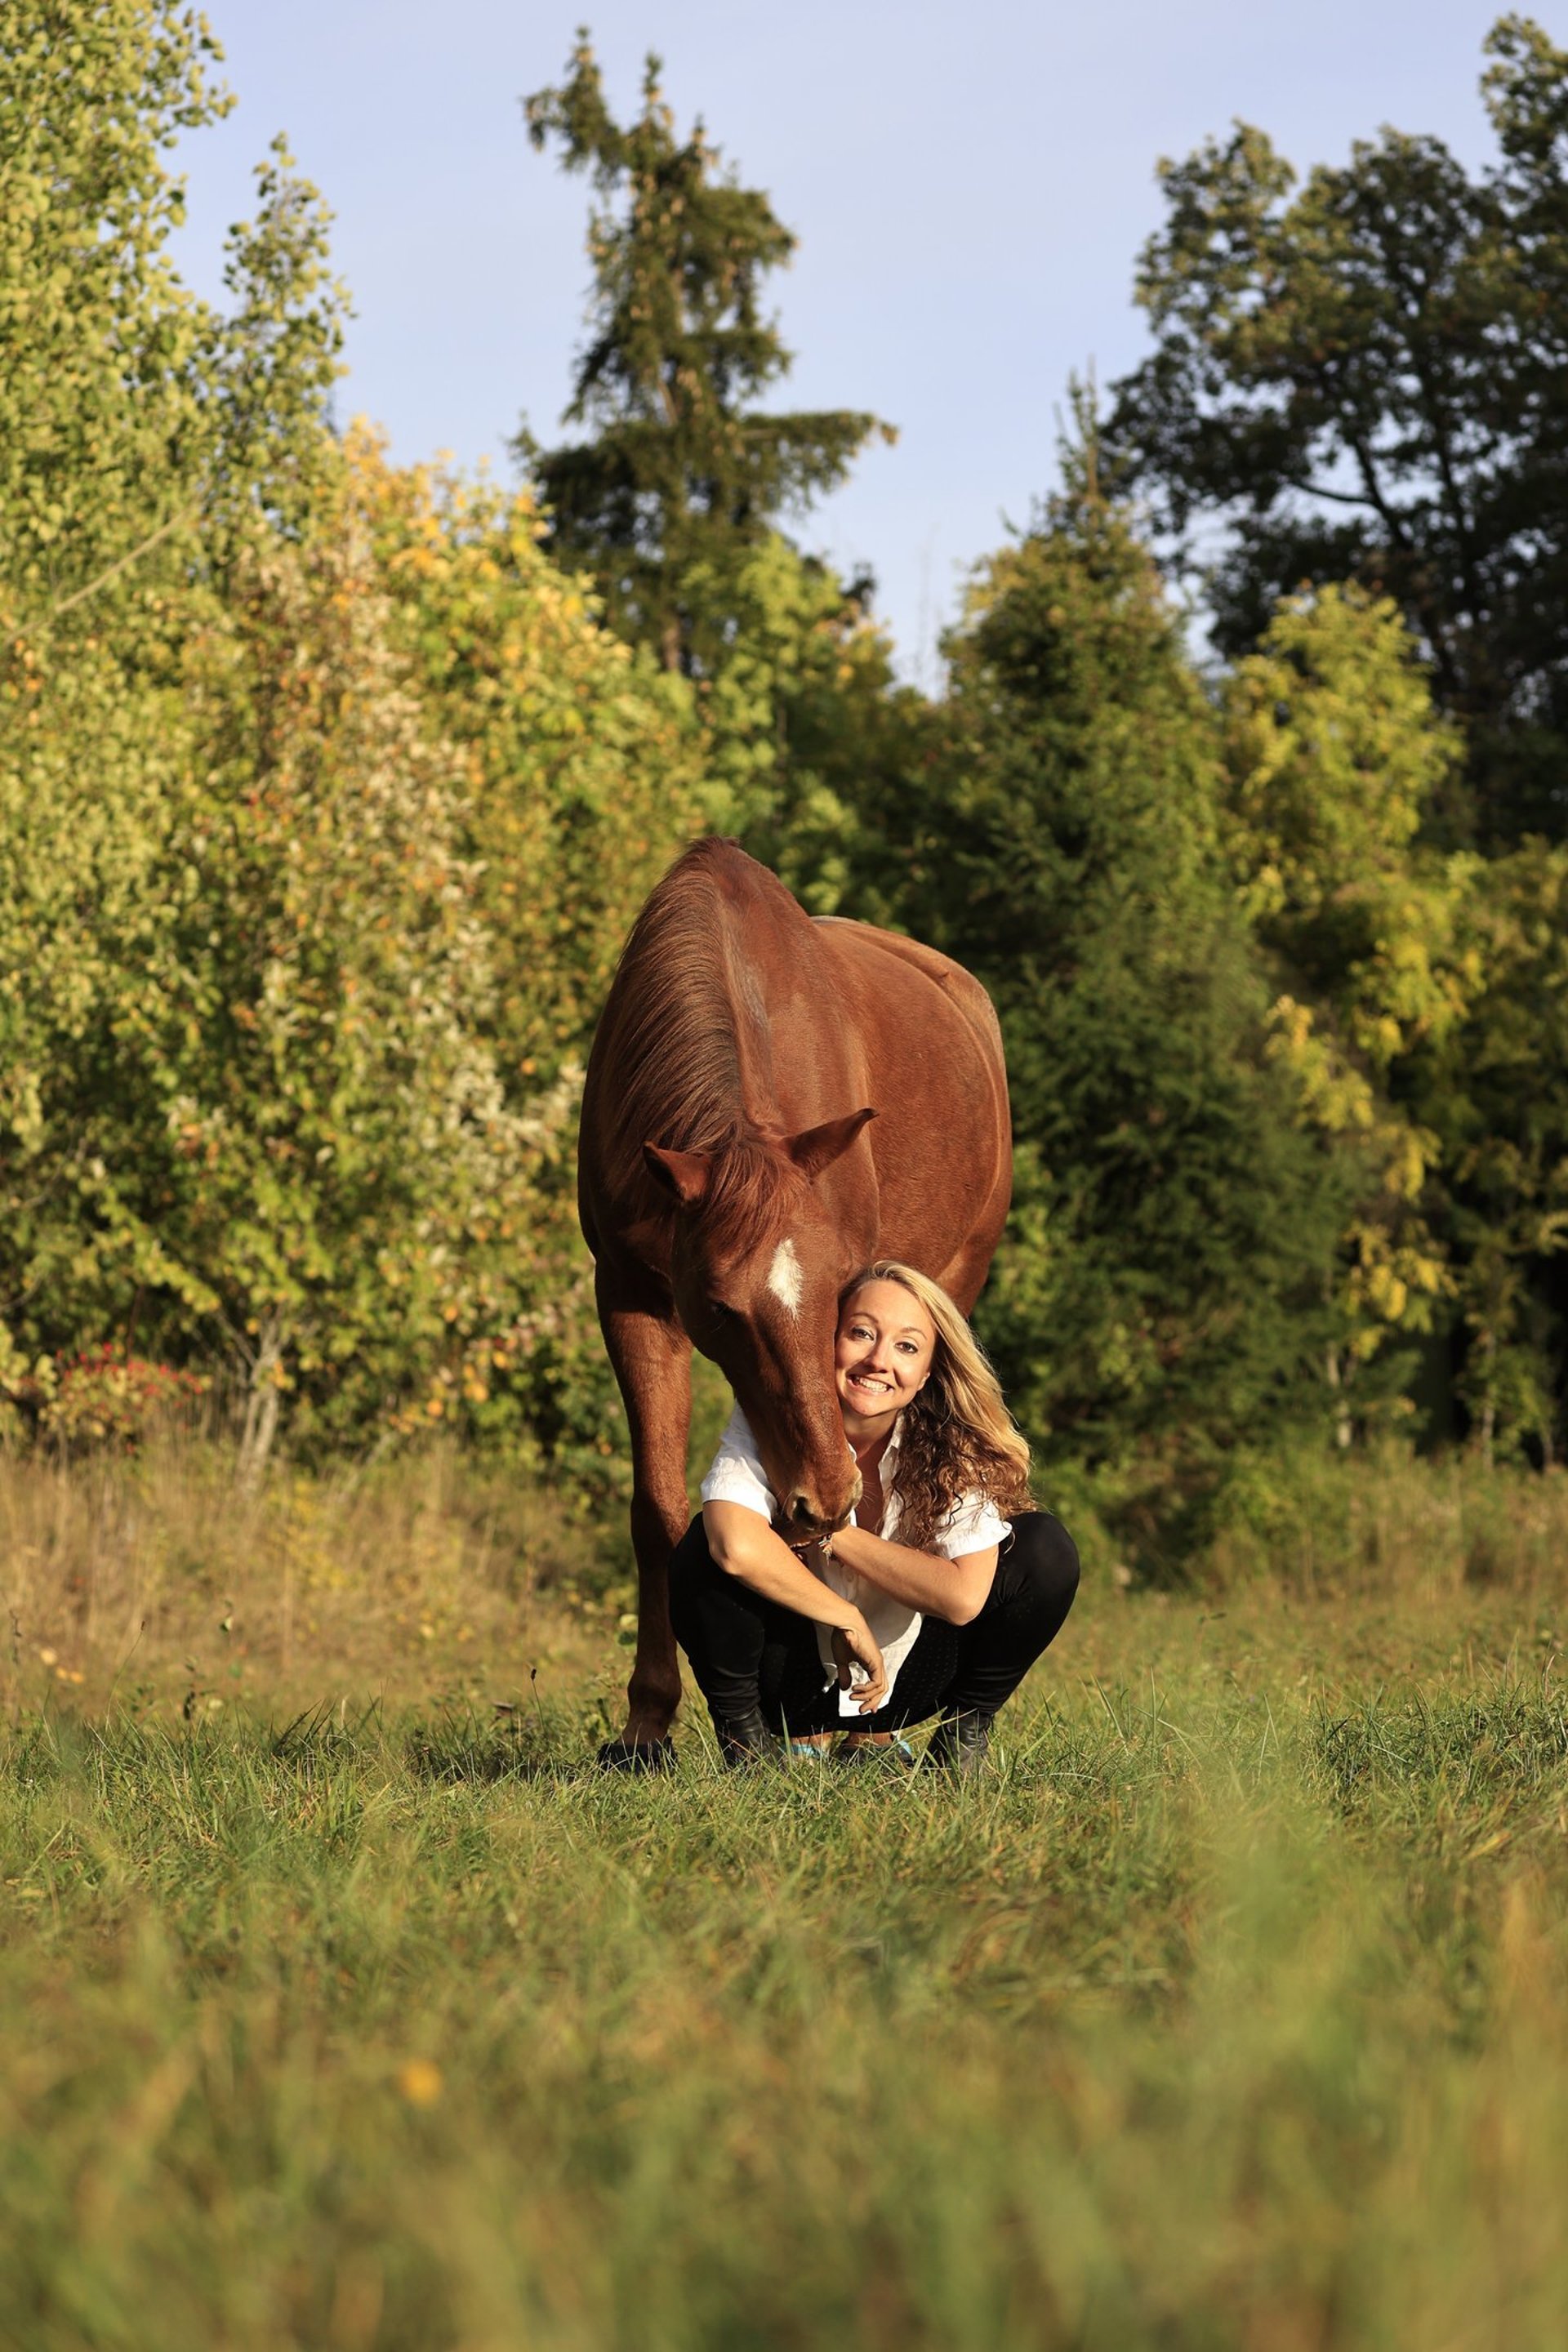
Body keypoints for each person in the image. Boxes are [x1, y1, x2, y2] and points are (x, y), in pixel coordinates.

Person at [667, 1260, 1079, 1772]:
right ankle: (747, 1745)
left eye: (907, 1346)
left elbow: (961, 1599)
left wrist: (831, 1535)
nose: (879, 1360)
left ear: (926, 1372)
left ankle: (963, 1736)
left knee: (1044, 1548)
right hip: (787, 1677)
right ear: (826, 1341)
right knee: (701, 1546)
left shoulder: (953, 1442)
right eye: (861, 1333)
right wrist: (843, 1615)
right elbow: (734, 1544)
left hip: (909, 1679)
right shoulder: (767, 1416)